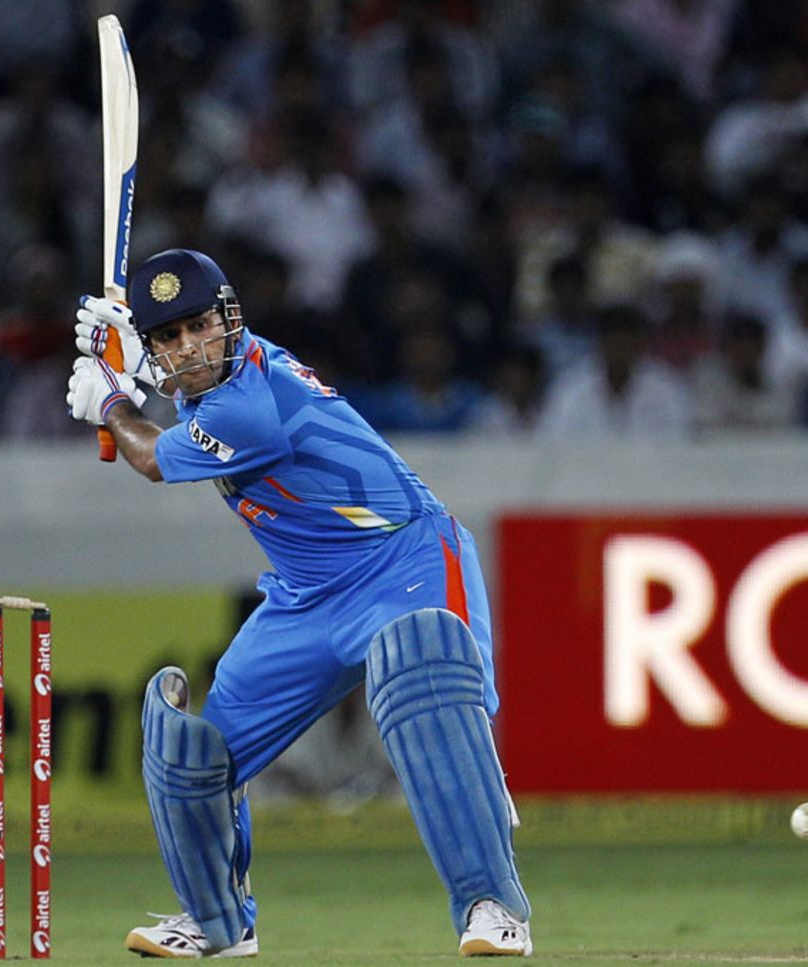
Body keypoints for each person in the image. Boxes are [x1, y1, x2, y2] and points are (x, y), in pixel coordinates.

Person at [64, 248, 532, 959]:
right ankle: (217, 922)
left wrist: (112, 400)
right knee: (196, 754)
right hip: (306, 596)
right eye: (170, 336)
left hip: (400, 560)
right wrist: (130, 361)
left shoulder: (252, 403)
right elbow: (184, 396)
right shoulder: (212, 383)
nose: (191, 346)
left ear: (230, 318)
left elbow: (153, 457)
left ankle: (493, 906)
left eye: (199, 325)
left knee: (428, 687)